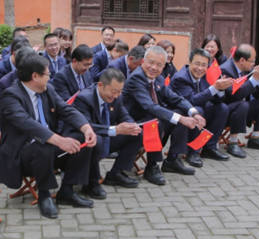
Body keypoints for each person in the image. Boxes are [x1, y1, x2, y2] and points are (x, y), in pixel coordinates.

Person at [0, 54, 97, 219]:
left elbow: (66, 109)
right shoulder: (11, 96)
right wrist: (59, 140)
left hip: (49, 146)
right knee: (43, 145)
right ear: (35, 76)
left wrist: (86, 128)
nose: (50, 78)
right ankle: (44, 195)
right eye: (47, 74)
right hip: (22, 153)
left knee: (81, 140)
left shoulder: (47, 89)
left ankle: (67, 190)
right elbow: (27, 123)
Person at [123, 46, 207, 183]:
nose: (154, 67)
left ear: (163, 66)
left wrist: (194, 113)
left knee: (181, 113)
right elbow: (150, 106)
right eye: (151, 62)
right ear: (143, 61)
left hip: (151, 119)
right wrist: (181, 119)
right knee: (157, 122)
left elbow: (175, 98)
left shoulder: (159, 78)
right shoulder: (136, 78)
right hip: (133, 122)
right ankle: (152, 166)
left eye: (159, 65)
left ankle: (173, 159)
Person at [71, 68, 143, 194]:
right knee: (97, 139)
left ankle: (117, 173)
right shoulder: (84, 99)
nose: (116, 95)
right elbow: (86, 125)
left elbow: (124, 115)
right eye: (113, 91)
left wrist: (131, 125)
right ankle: (91, 183)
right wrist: (115, 129)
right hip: (88, 141)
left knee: (136, 134)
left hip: (107, 138)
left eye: (119, 92)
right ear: (100, 85)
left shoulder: (117, 98)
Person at [170, 48, 236, 165]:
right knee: (198, 110)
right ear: (190, 62)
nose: (200, 68)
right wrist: (214, 88)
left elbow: (216, 99)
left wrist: (220, 89)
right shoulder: (181, 78)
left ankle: (210, 147)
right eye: (197, 64)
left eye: (204, 65)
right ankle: (192, 151)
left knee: (222, 108)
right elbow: (192, 100)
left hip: (200, 110)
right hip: (181, 113)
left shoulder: (207, 75)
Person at [219, 44, 259, 154]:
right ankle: (232, 143)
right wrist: (254, 79)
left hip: (243, 109)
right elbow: (236, 95)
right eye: (252, 61)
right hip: (227, 111)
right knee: (242, 104)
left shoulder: (246, 69)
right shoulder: (225, 70)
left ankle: (255, 138)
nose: (253, 64)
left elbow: (258, 95)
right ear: (242, 60)